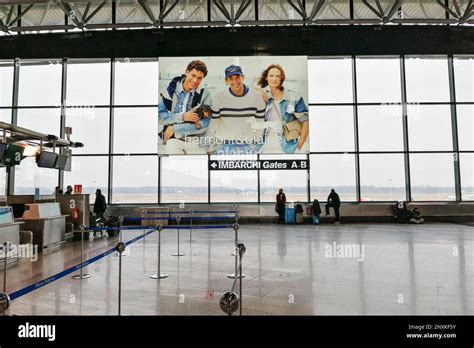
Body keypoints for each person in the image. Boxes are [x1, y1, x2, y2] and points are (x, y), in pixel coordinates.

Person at [209, 65, 266, 155]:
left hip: (247, 145)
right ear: (226, 81)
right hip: (224, 145)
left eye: (237, 77)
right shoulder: (218, 97)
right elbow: (212, 124)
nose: (235, 81)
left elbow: (260, 122)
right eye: (231, 78)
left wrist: (255, 143)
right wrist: (210, 146)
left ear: (243, 77)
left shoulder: (257, 97)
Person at [158, 60, 212, 154]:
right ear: (186, 72)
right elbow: (160, 116)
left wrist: (175, 128)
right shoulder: (170, 90)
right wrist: (182, 116)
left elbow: (205, 123)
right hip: (174, 140)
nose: (195, 81)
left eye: (199, 78)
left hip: (196, 139)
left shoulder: (205, 94)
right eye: (193, 75)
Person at [257, 64, 309, 154]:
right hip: (266, 143)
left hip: (288, 145)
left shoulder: (294, 96)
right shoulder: (263, 97)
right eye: (271, 76)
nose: (274, 79)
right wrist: (259, 89)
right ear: (266, 78)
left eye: (278, 76)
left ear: (282, 78)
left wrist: (299, 147)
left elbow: (306, 122)